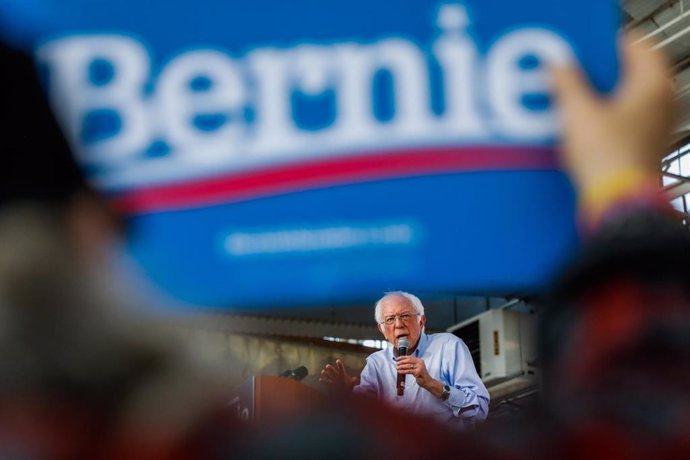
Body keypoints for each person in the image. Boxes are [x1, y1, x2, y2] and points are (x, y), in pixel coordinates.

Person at [319, 291, 489, 428]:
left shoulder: (448, 346)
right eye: (390, 319)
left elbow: (479, 411)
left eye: (405, 316)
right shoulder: (376, 364)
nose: (399, 324)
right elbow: (362, 423)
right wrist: (347, 393)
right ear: (382, 330)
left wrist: (431, 384)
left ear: (421, 321)